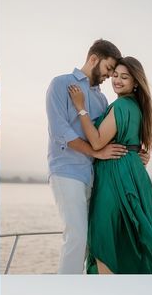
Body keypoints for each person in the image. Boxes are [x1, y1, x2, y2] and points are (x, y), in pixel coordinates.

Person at [68, 57, 152, 273]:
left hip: (116, 179)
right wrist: (138, 157)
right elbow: (135, 145)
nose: (117, 80)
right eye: (115, 75)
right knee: (130, 240)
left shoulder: (122, 105)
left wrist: (80, 107)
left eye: (124, 77)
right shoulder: (138, 107)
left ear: (135, 82)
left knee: (106, 237)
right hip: (133, 176)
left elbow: (97, 141)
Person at [45, 39, 130, 274]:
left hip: (92, 175)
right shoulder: (61, 84)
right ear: (94, 59)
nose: (110, 76)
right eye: (108, 68)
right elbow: (60, 132)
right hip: (66, 170)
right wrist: (95, 151)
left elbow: (106, 136)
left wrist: (137, 154)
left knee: (87, 240)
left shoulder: (102, 100)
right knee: (76, 236)